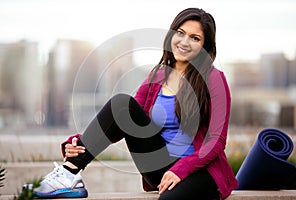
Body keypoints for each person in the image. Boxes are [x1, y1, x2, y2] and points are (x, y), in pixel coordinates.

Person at [26, 7, 238, 200]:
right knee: (121, 104)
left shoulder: (214, 79)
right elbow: (124, 119)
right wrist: (80, 143)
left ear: (205, 46)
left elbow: (216, 141)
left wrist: (181, 169)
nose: (184, 42)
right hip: (160, 168)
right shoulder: (158, 75)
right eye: (180, 33)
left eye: (195, 38)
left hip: (200, 173)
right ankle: (68, 174)